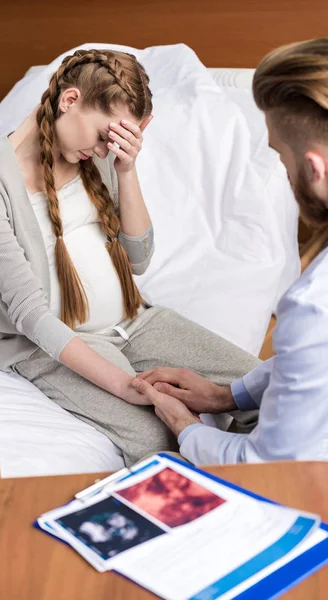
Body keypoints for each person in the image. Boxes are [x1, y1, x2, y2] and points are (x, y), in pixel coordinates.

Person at [0, 48, 259, 468]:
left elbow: (138, 260)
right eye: (104, 135)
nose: (105, 149)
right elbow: (29, 314)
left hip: (138, 320)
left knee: (269, 394)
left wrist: (126, 170)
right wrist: (124, 385)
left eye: (116, 140)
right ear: (69, 100)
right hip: (52, 345)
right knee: (159, 435)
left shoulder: (98, 161)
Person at [133, 38, 328, 465]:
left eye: (280, 157)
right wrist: (226, 395)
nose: (284, 172)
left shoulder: (313, 307)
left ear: (315, 169)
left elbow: (270, 470)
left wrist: (188, 429)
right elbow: (317, 363)